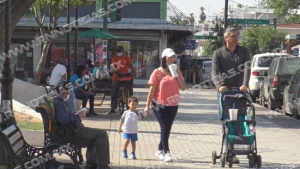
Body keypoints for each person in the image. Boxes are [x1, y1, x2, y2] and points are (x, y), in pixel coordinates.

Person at [212, 26, 251, 164]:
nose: (236, 38)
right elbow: (215, 72)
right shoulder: (218, 53)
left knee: (241, 119)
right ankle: (229, 150)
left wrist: (245, 84)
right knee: (227, 121)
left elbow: (247, 68)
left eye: (237, 36)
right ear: (226, 38)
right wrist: (219, 86)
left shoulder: (244, 51)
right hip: (225, 93)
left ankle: (243, 146)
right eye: (233, 36)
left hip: (240, 92)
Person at [53, 80, 111, 169]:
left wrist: (73, 114)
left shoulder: (58, 101)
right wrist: (78, 116)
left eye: (67, 93)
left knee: (95, 136)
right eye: (65, 93)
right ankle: (103, 165)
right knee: (102, 134)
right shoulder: (58, 102)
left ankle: (91, 163)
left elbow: (64, 117)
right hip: (74, 131)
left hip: (71, 129)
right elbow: (63, 120)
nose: (66, 95)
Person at [144, 48, 186, 162]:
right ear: (164, 58)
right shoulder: (157, 72)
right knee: (164, 127)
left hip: (173, 104)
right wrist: (147, 106)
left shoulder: (177, 70)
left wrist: (176, 75)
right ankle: (166, 152)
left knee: (167, 128)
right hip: (159, 104)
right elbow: (151, 91)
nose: (172, 59)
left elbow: (183, 87)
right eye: (169, 57)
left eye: (173, 57)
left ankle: (159, 149)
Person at [106, 46, 133, 115]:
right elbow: (113, 67)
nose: (119, 53)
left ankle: (131, 105)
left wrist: (130, 70)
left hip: (126, 77)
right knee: (114, 92)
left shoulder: (127, 58)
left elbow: (130, 65)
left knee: (130, 90)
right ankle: (113, 108)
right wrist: (114, 71)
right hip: (116, 77)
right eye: (118, 51)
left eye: (120, 51)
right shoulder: (114, 58)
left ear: (123, 51)